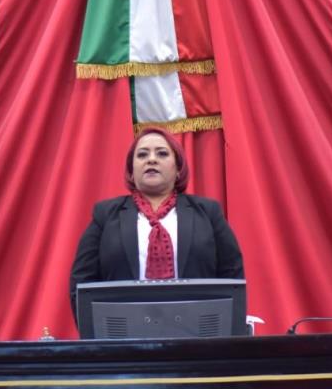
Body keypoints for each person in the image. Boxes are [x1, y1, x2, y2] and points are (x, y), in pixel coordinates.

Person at [69, 127, 244, 319]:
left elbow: (232, 277)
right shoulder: (105, 215)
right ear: (131, 171)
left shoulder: (208, 212)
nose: (151, 159)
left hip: (198, 334)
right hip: (123, 335)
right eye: (142, 155)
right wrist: (98, 337)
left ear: (178, 169)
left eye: (162, 153)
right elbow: (82, 283)